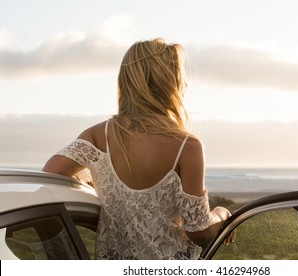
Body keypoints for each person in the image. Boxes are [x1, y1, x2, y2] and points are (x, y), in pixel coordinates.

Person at [42, 38, 234, 260]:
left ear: (126, 81)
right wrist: (222, 214)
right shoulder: (187, 146)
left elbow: (51, 175)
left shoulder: (96, 136)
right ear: (170, 84)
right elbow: (198, 231)